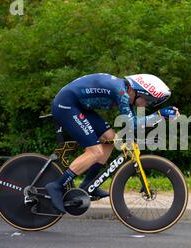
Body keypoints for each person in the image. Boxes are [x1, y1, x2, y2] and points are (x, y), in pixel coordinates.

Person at [45, 73, 180, 214]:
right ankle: (56, 186)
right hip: (66, 105)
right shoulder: (121, 92)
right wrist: (159, 115)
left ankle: (88, 184)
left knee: (111, 139)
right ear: (138, 92)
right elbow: (132, 124)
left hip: (79, 106)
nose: (147, 105)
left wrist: (158, 118)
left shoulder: (125, 91)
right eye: (148, 100)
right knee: (95, 152)